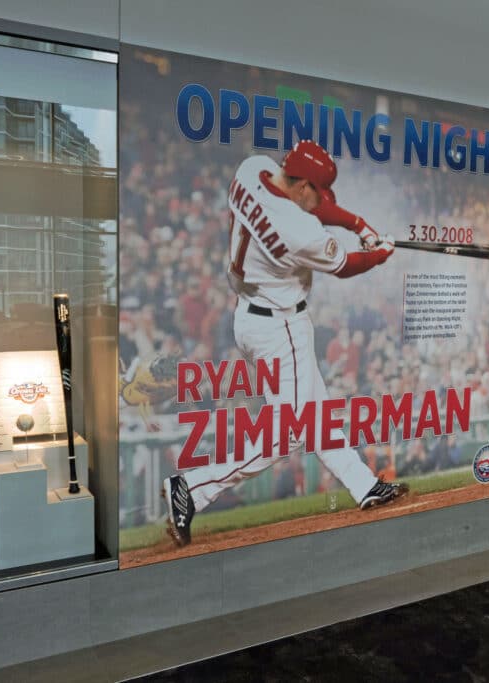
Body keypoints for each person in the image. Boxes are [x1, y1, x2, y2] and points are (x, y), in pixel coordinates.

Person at [161, 140, 407, 546]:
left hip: (249, 313)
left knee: (317, 414)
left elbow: (312, 204)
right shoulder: (298, 228)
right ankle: (193, 488)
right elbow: (346, 265)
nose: (319, 203)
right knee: (286, 435)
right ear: (305, 186)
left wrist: (357, 224)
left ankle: (363, 485)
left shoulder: (251, 168)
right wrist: (379, 252)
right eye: (317, 193)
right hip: (281, 329)